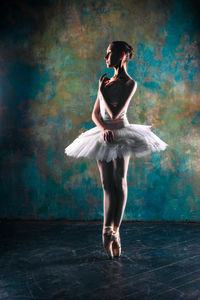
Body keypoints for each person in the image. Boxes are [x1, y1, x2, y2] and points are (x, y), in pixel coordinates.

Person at [65, 41, 168, 260]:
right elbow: (96, 114)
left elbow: (115, 113)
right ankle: (106, 230)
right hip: (103, 134)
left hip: (122, 133)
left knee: (120, 181)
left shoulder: (130, 83)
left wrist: (101, 91)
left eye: (109, 53)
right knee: (106, 184)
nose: (105, 57)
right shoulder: (106, 81)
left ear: (121, 56)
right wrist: (102, 129)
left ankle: (116, 231)